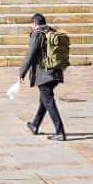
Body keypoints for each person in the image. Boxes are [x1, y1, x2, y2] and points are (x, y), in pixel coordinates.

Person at [18, 13, 67, 141]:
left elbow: (30, 55)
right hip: (56, 71)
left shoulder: (38, 34)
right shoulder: (51, 31)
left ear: (34, 24)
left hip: (44, 74)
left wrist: (22, 73)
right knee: (44, 100)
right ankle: (35, 125)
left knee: (49, 102)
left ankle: (60, 132)